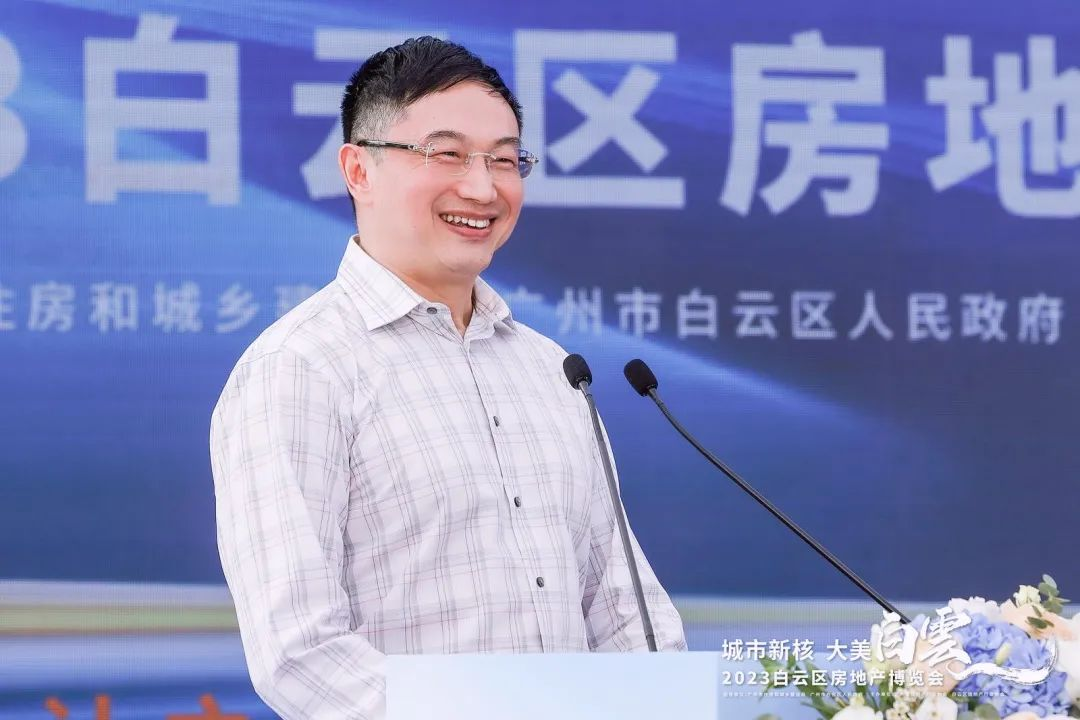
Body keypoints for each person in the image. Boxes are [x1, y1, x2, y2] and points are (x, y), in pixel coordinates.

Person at [209, 36, 686, 720]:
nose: (483, 188)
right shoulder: (299, 369)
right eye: (447, 154)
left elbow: (625, 610)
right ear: (359, 170)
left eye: (504, 159)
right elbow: (302, 656)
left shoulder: (553, 371)